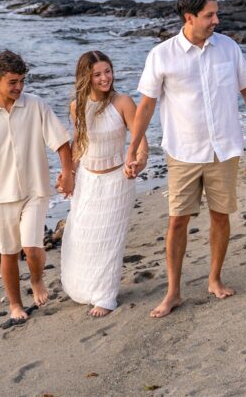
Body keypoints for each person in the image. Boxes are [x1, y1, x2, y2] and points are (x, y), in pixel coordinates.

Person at [126, 0, 246, 318]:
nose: (216, 20)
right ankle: (173, 292)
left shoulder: (228, 48)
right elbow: (146, 106)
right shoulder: (161, 55)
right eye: (209, 15)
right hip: (184, 151)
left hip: (224, 148)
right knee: (178, 220)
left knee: (220, 215)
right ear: (189, 18)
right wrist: (132, 149)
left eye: (216, 14)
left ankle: (214, 279)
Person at [0, 50, 76, 320]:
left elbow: (62, 143)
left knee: (32, 247)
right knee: (8, 252)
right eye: (13, 82)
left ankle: (36, 279)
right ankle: (15, 305)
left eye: (22, 81)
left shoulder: (36, 105)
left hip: (36, 189)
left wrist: (67, 173)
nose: (19, 87)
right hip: (1, 195)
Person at [59, 51, 147, 317]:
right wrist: (67, 174)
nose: (105, 77)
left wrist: (139, 161)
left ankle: (105, 296)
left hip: (117, 180)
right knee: (81, 234)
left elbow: (140, 140)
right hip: (87, 179)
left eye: (107, 71)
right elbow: (78, 144)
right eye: (97, 74)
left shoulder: (122, 102)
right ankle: (85, 286)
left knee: (109, 238)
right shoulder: (78, 105)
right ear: (86, 77)